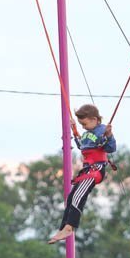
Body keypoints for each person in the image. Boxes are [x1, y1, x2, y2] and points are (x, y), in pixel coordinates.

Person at [48, 103, 117, 243]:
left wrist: (109, 136)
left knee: (79, 195)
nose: (83, 127)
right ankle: (64, 228)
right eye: (81, 124)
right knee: (71, 197)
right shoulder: (86, 134)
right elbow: (81, 145)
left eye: (84, 123)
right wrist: (74, 130)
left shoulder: (102, 130)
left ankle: (69, 227)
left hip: (96, 169)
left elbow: (111, 148)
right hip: (87, 170)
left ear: (94, 119)